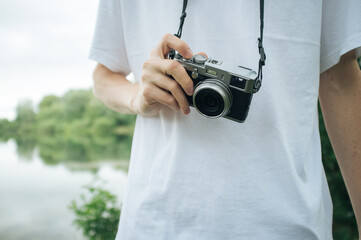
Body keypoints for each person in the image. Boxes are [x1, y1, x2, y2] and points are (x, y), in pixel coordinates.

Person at [89, 0, 361, 239]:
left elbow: (341, 78)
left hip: (288, 224)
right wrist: (138, 97)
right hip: (154, 223)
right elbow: (103, 76)